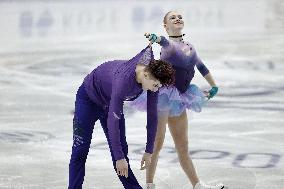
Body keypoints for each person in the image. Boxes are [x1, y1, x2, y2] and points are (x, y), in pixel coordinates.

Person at [130, 11, 226, 189]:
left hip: (180, 98)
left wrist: (214, 86)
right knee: (157, 142)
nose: (177, 18)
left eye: (180, 16)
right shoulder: (167, 45)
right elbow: (161, 40)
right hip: (163, 96)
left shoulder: (190, 46)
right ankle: (149, 185)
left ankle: (197, 185)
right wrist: (153, 37)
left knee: (182, 146)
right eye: (172, 18)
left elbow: (202, 67)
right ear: (166, 26)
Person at [68, 46, 175, 189]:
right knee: (80, 151)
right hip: (88, 100)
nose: (156, 90)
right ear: (145, 75)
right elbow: (113, 121)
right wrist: (118, 158)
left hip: (109, 103)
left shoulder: (152, 75)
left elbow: (152, 116)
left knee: (121, 153)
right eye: (155, 85)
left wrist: (149, 150)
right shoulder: (123, 81)